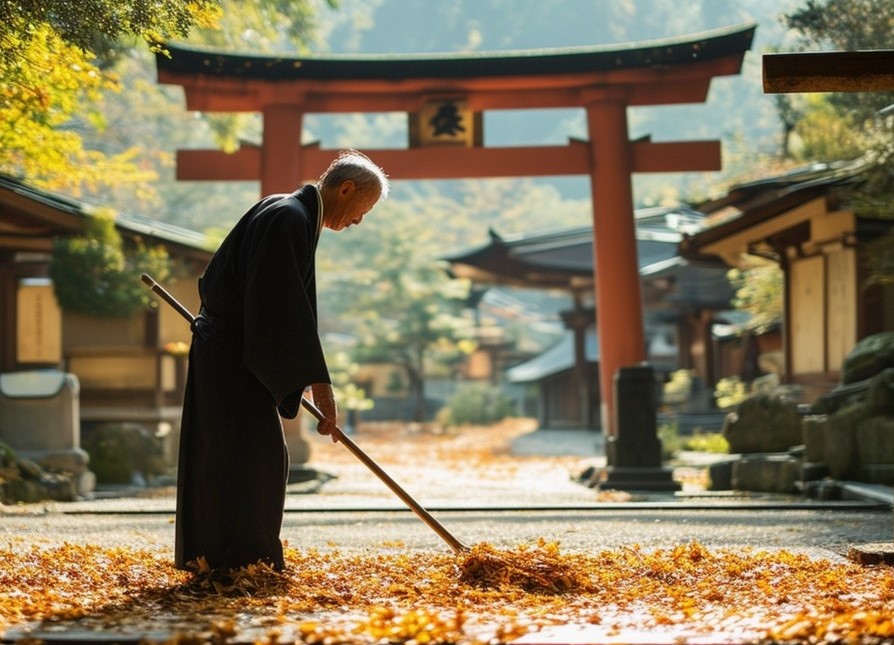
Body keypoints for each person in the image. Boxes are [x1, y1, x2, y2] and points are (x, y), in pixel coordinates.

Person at [175, 149, 389, 573]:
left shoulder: (282, 209)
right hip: (235, 357)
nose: (359, 220)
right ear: (345, 189)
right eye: (363, 209)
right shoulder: (289, 217)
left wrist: (308, 375)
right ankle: (239, 560)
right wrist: (319, 384)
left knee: (235, 455)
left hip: (229, 352)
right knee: (252, 460)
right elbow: (282, 310)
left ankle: (220, 557)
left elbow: (283, 308)